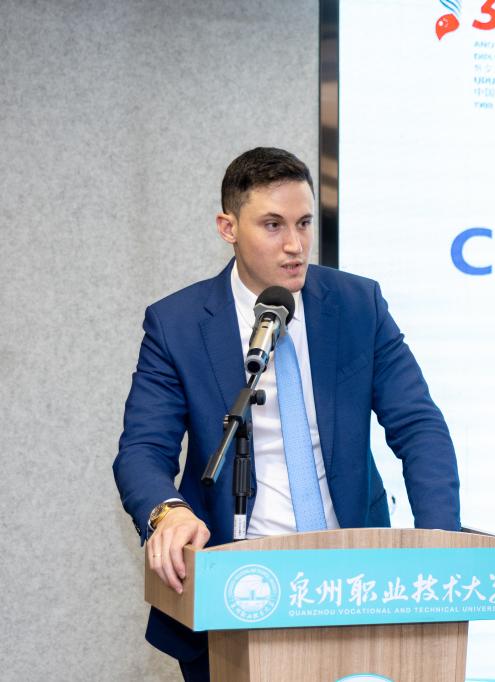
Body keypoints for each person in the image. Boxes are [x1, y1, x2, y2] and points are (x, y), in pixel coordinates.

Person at [113, 147, 461, 681]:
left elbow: (418, 426)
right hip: (238, 588)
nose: (296, 245)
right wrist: (169, 512)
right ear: (228, 227)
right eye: (273, 225)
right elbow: (142, 449)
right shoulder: (177, 323)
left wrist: (440, 547)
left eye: (304, 223)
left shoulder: (358, 304)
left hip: (354, 581)